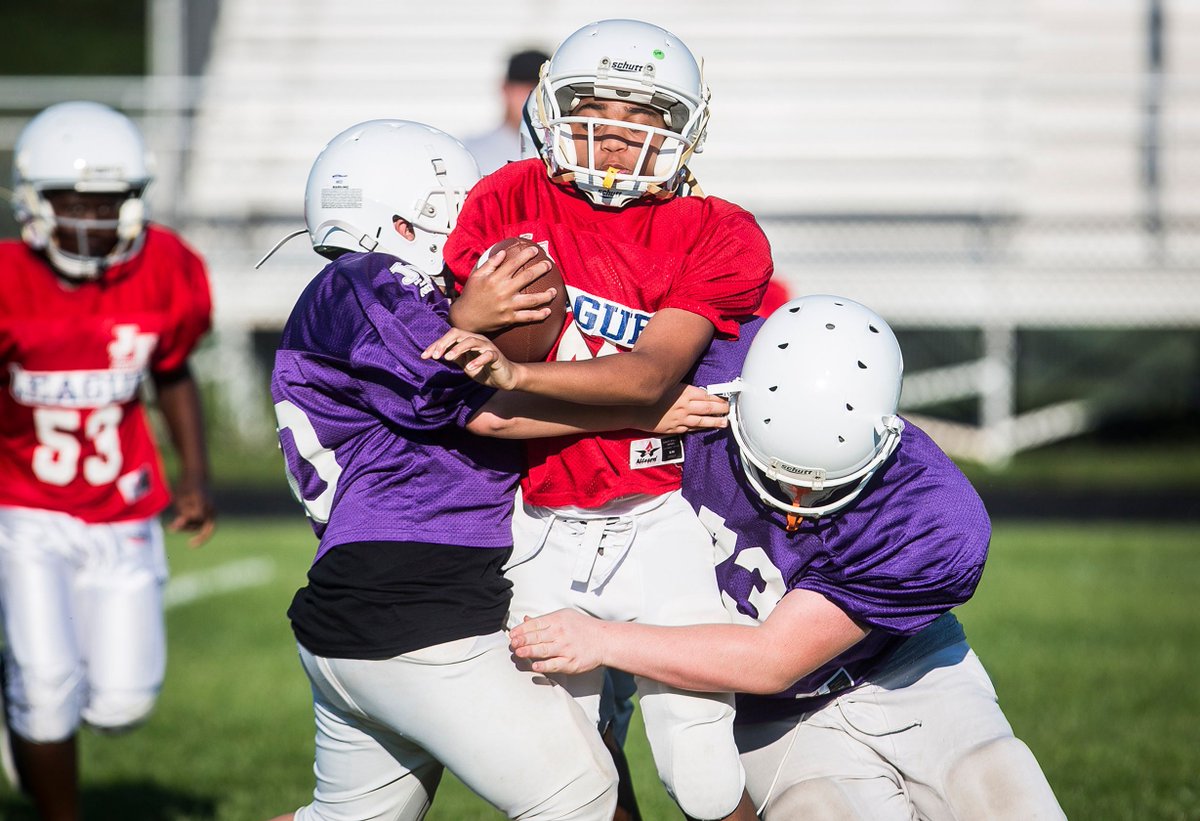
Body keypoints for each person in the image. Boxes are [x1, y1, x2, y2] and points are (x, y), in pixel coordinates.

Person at [264, 119, 728, 821]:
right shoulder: (364, 280)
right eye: (460, 213)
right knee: (586, 797)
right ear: (404, 218)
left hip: (366, 604)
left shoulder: (350, 294)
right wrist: (641, 410)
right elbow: (472, 404)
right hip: (412, 602)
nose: (478, 234)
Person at [509, 295, 1068, 820]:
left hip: (902, 667)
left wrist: (599, 640)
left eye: (823, 487)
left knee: (997, 781)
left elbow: (773, 659)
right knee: (821, 806)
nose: (795, 504)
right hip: (769, 714)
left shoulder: (929, 511)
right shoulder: (699, 375)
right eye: (774, 474)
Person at [431, 18, 772, 821]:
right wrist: (482, 327)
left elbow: (652, 372)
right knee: (568, 778)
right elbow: (479, 390)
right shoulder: (508, 196)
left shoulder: (715, 229)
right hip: (536, 520)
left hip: (662, 519)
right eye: (594, 106)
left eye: (642, 115)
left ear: (683, 128)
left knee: (705, 772)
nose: (614, 134)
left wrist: (522, 374)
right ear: (554, 109)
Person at [0, 101, 216, 821]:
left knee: (122, 702)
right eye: (74, 202)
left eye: (107, 203)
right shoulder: (7, 277)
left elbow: (174, 372)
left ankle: (19, 711)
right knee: (47, 677)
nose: (92, 220)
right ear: (35, 200)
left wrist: (195, 478)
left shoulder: (164, 267)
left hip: (123, 505)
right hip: (25, 504)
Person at [463, 48, 551, 175]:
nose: (532, 97)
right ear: (505, 88)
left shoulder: (565, 153)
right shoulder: (472, 152)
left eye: (538, 88)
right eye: (522, 86)